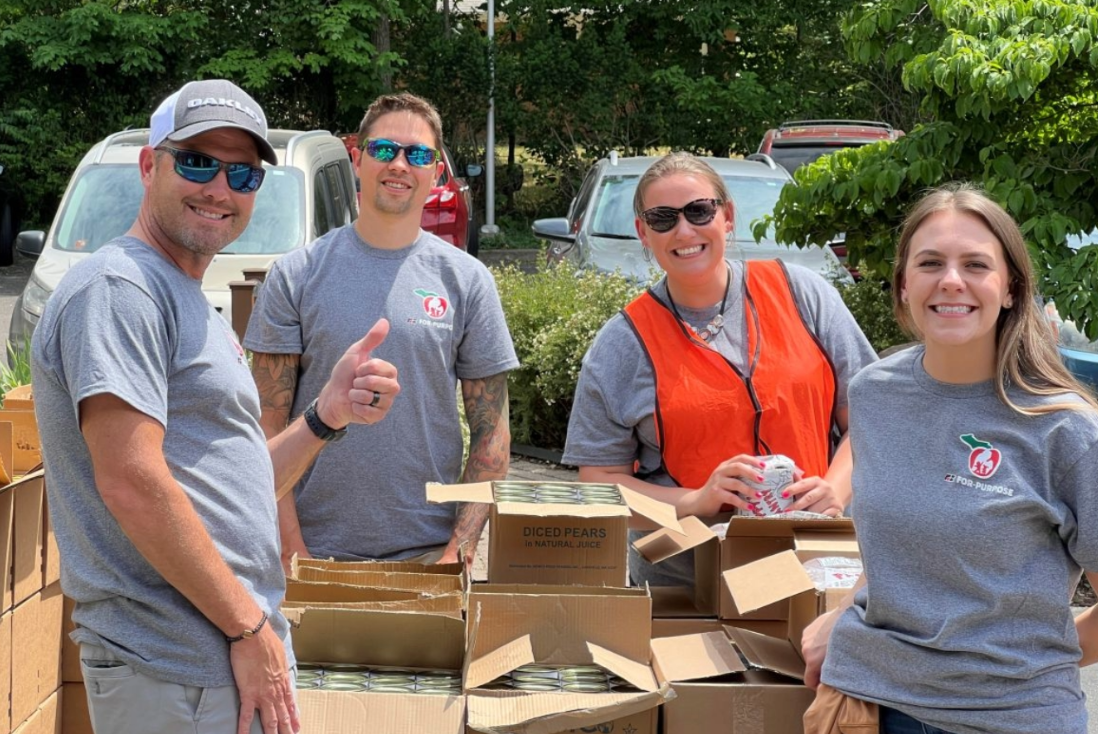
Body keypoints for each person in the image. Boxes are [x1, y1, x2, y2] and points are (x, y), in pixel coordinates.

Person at [31, 79, 399, 734]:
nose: (220, 189)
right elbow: (131, 482)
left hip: (215, 669)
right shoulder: (121, 288)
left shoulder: (181, 296)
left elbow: (239, 485)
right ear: (150, 166)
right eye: (197, 162)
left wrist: (325, 415)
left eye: (242, 174)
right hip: (178, 670)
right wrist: (248, 625)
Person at [802, 184, 1098, 734]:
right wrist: (843, 615)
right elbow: (903, 544)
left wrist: (1021, 665)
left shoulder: (1067, 431)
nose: (951, 280)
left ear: (1010, 288)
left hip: (1012, 720)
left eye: (976, 264)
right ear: (904, 284)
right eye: (931, 263)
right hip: (870, 706)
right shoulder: (874, 394)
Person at [562, 151, 877, 588]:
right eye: (662, 218)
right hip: (689, 583)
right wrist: (696, 499)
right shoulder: (623, 343)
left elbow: (872, 417)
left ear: (727, 216)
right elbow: (599, 485)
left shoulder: (803, 294)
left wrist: (834, 490)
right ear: (643, 233)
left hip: (816, 568)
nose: (684, 230)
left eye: (699, 211)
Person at [244, 92, 518, 569]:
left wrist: (460, 549)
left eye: (418, 155)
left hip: (428, 556)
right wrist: (292, 547)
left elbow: (492, 434)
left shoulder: (467, 280)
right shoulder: (296, 275)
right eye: (384, 150)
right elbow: (265, 427)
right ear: (357, 158)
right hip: (310, 555)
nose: (400, 165)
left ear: (435, 171)